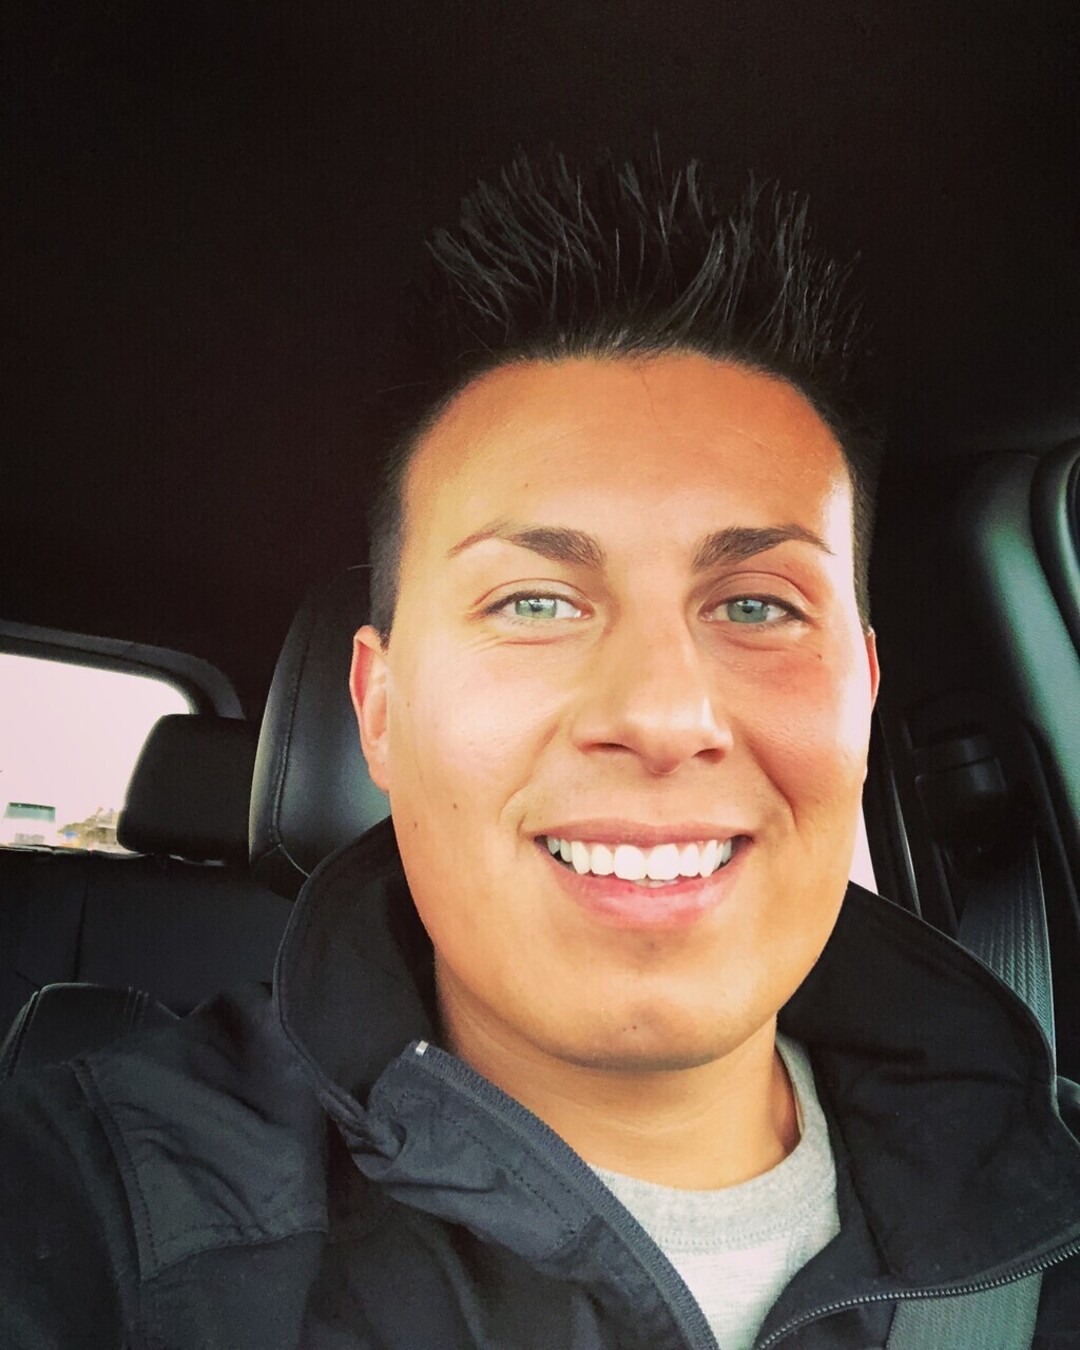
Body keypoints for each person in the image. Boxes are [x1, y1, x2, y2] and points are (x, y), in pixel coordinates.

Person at [2, 151, 1078, 1349]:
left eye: (757, 605)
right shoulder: (92, 1212)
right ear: (380, 710)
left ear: (865, 698)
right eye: (534, 602)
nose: (664, 715)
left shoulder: (1054, 1209)